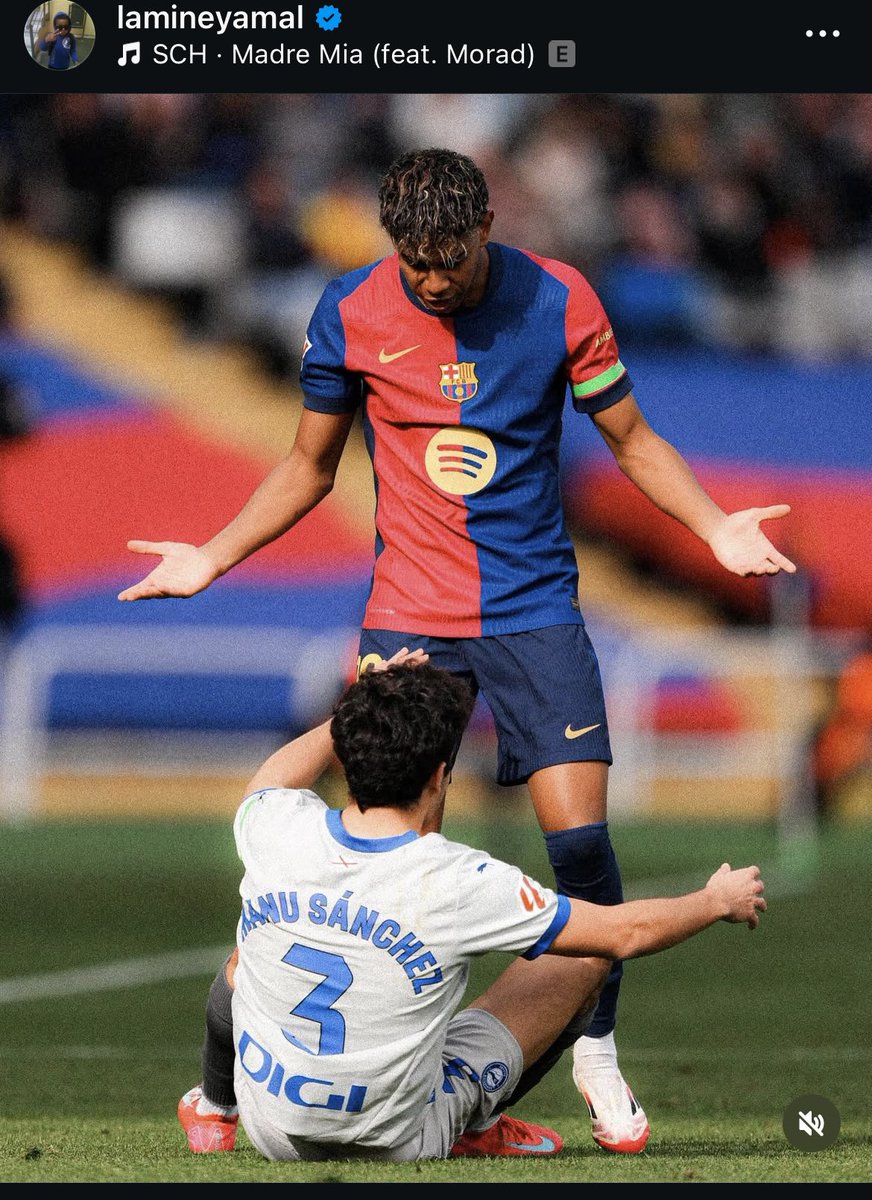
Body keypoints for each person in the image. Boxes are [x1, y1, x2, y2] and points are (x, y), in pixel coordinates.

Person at [120, 147, 794, 1152]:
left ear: (486, 226)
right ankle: (263, 1081)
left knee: (576, 843)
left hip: (531, 611)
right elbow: (308, 466)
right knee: (357, 853)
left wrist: (712, 528)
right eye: (416, 264)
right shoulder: (350, 310)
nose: (433, 282)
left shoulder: (559, 300)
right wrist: (210, 557)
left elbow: (632, 440)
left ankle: (595, 1046)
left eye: (451, 262)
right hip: (408, 615)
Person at [177, 652, 766, 1161]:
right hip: (397, 1138)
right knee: (585, 960)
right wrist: (714, 901)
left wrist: (363, 709)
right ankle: (475, 1125)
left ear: (344, 756)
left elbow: (272, 777)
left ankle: (215, 1106)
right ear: (439, 777)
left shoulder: (275, 828)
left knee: (246, 962)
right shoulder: (458, 878)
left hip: (273, 1132)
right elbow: (624, 934)